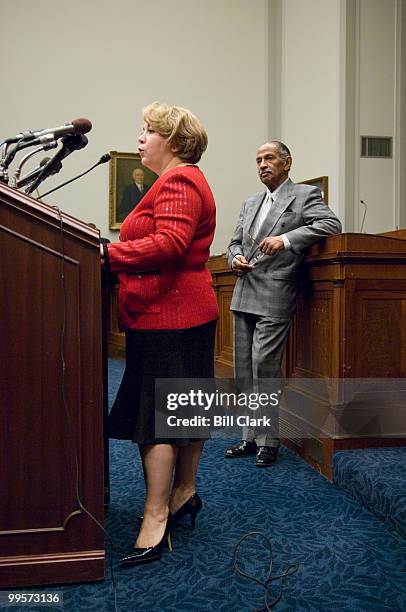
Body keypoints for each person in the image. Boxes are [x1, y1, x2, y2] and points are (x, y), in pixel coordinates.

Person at [101, 102, 218, 566]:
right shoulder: (176, 180)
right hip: (180, 312)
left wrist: (110, 254)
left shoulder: (180, 180)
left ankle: (155, 516)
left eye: (149, 130)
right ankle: (184, 493)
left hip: (170, 315)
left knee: (158, 419)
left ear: (174, 140)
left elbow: (169, 245)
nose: (141, 138)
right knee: (184, 409)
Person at [225, 141, 342, 467]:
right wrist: (234, 258)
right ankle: (249, 438)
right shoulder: (250, 202)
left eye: (270, 158)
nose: (263, 164)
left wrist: (286, 239)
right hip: (243, 289)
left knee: (265, 367)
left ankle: (269, 441)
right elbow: (233, 242)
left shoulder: (304, 195)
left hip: (276, 292)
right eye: (258, 159)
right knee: (244, 371)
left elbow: (331, 224)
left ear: (287, 163)